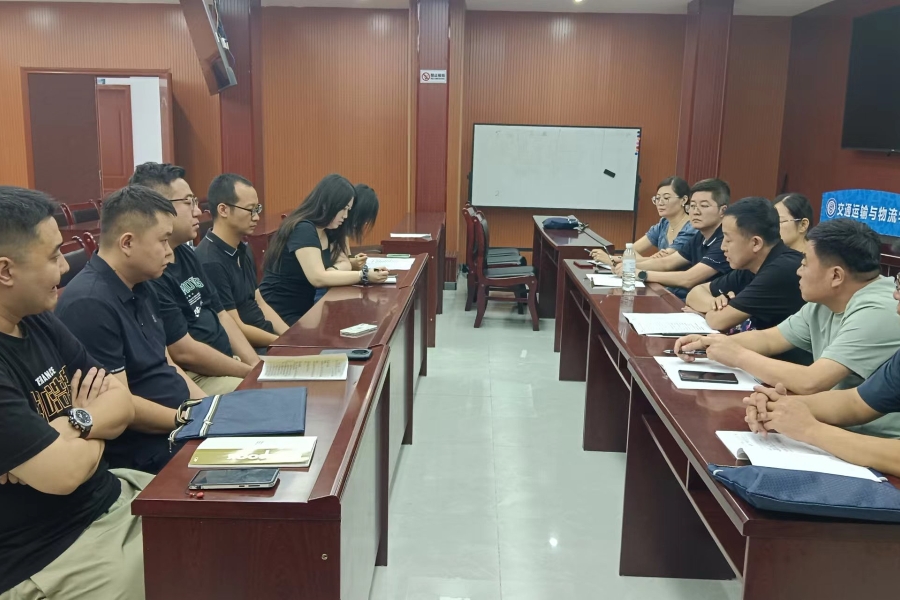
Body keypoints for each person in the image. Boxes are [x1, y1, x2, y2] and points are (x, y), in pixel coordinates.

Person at [0, 186, 146, 600]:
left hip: (112, 496)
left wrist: (74, 424)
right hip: (49, 553)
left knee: (231, 526)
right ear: (5, 271)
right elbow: (62, 476)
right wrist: (88, 420)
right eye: (53, 257)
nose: (65, 267)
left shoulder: (35, 317)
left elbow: (120, 400)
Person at [676, 218, 900, 437]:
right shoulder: (826, 299)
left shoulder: (879, 311)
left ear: (835, 276)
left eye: (805, 264)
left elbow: (811, 381)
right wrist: (710, 343)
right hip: (833, 424)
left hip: (874, 441)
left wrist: (737, 355)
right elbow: (770, 340)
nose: (798, 272)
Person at [56, 186, 208, 473]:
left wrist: (209, 408)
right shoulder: (89, 304)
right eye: (163, 241)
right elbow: (121, 405)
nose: (169, 252)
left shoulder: (143, 283)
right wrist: (192, 420)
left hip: (179, 426)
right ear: (127, 242)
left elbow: (167, 364)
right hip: (146, 449)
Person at [129, 162, 258, 395]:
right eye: (189, 203)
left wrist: (255, 366)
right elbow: (184, 352)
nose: (198, 211)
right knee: (272, 396)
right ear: (158, 208)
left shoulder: (186, 253)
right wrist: (250, 373)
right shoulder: (151, 272)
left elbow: (222, 315)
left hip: (228, 362)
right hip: (198, 376)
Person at [260, 174, 390, 325]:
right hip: (278, 311)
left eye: (348, 210)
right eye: (343, 209)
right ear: (327, 205)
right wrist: (364, 275)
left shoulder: (329, 230)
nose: (346, 216)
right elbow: (318, 278)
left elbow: (345, 262)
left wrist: (333, 270)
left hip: (305, 309)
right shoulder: (304, 229)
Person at [195, 174, 289, 348]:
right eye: (250, 210)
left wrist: (290, 336)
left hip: (267, 338)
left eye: (257, 209)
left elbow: (260, 302)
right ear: (223, 210)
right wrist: (283, 343)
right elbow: (235, 327)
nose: (256, 217)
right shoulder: (210, 261)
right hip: (250, 348)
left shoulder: (242, 247)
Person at [685, 197, 805, 332]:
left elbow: (718, 321)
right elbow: (694, 293)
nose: (722, 247)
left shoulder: (782, 269)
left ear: (756, 243)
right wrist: (714, 305)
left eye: (728, 240)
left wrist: (710, 313)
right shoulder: (751, 265)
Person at [614, 178, 732, 299]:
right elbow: (667, 263)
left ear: (723, 210)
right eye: (692, 206)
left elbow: (688, 279)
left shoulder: (725, 241)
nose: (695, 212)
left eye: (704, 206)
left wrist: (641, 274)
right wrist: (628, 266)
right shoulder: (700, 236)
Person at [591, 176, 694, 264]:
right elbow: (630, 251)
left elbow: (664, 262)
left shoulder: (691, 227)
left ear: (684, 200)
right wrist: (649, 260)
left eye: (666, 198)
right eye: (657, 198)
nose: (660, 203)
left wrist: (613, 260)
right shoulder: (664, 224)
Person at [314, 183, 380, 303]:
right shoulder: (328, 228)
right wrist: (358, 271)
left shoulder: (341, 231)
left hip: (329, 287)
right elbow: (326, 272)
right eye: (363, 218)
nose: (365, 223)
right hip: (318, 291)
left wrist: (351, 263)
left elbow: (343, 261)